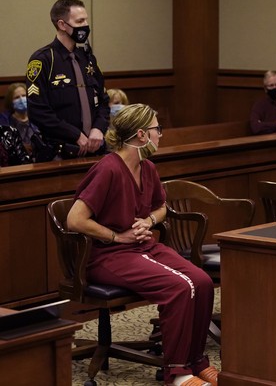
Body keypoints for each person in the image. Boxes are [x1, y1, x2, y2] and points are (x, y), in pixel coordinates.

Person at [66, 103, 219, 386]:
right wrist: (116, 236)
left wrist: (148, 220)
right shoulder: (108, 169)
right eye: (156, 130)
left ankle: (196, 362)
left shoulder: (147, 167)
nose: (160, 135)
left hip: (143, 248)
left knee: (202, 281)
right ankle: (177, 373)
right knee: (180, 287)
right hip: (109, 256)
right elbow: (74, 219)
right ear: (140, 135)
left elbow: (162, 206)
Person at [26, 0, 109, 159]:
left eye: (86, 20)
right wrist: (75, 135)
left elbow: (103, 101)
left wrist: (98, 128)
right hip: (59, 153)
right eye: (79, 21)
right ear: (62, 25)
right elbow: (38, 111)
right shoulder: (43, 60)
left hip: (94, 150)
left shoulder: (88, 58)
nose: (85, 25)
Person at [1, 82, 55, 162]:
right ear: (10, 101)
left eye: (24, 96)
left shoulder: (39, 117)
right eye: (16, 97)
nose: (21, 99)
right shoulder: (4, 120)